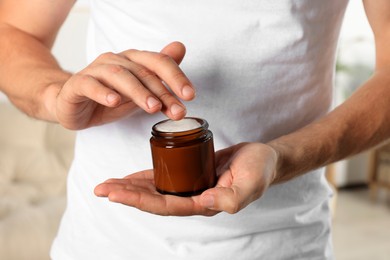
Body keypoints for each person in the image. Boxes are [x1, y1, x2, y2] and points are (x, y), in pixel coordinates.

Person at [0, 0, 389, 259]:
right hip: (103, 243)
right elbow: (13, 30)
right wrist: (55, 95)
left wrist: (283, 157)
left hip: (281, 244)